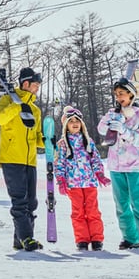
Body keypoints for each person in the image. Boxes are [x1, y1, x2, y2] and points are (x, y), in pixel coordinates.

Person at [97, 77, 139, 250]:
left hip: (135, 165)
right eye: (116, 94)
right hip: (116, 165)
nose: (118, 97)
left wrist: (123, 129)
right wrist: (113, 120)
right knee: (121, 203)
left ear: (131, 94)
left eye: (121, 94)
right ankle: (130, 237)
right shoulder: (113, 112)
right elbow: (101, 129)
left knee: (137, 202)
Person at [0, 67, 46, 251]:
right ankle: (27, 237)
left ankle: (20, 240)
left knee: (31, 202)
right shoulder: (7, 100)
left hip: (29, 160)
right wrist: (17, 104)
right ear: (26, 84)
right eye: (35, 85)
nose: (37, 89)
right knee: (20, 201)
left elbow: (38, 137)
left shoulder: (35, 110)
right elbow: (0, 119)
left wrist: (48, 142)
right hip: (11, 158)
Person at [55, 106, 111, 251]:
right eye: (71, 121)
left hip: (89, 183)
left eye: (77, 121)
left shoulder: (88, 141)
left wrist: (99, 174)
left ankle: (97, 239)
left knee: (93, 211)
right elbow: (59, 163)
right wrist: (61, 180)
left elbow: (96, 159)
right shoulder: (62, 144)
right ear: (66, 125)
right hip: (73, 184)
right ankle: (82, 240)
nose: (75, 123)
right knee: (78, 213)